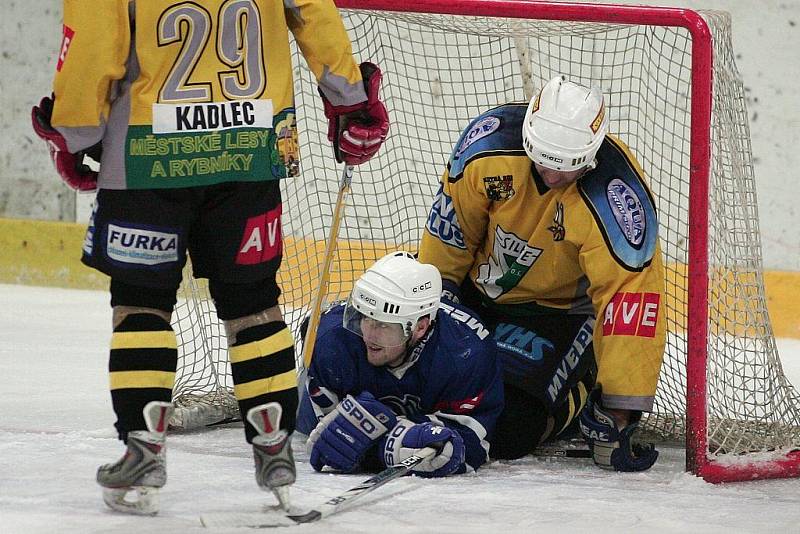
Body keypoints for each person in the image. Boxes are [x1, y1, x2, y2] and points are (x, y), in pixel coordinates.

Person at [31, 0, 389, 515]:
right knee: (255, 303)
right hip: (252, 146)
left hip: (147, 154)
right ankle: (274, 447)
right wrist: (351, 100)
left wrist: (74, 133)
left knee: (141, 303)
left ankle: (143, 446)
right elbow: (315, 12)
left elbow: (93, 47)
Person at [418, 76, 666, 472]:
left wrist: (617, 409)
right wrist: (429, 309)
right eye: (544, 160)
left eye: (565, 168)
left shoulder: (617, 199)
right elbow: (451, 235)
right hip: (476, 296)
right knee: (405, 376)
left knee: (508, 430)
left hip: (558, 317)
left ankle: (580, 390)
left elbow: (629, 299)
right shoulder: (487, 150)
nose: (551, 175)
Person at [296, 251, 503, 478]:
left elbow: (471, 442)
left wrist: (383, 446)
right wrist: (399, 440)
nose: (368, 335)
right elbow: (331, 437)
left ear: (419, 328)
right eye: (365, 318)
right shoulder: (332, 341)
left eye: (383, 325)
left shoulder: (467, 352)